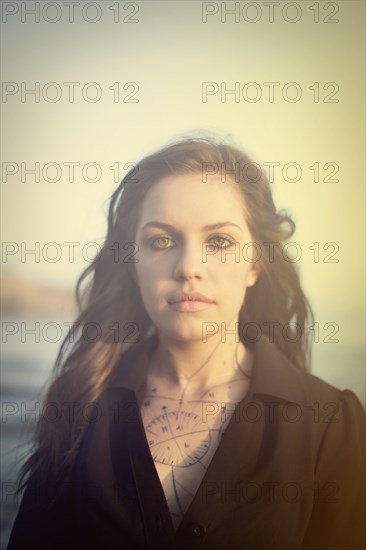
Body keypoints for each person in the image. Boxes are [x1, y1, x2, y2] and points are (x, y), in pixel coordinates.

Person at [7, 136, 365, 550]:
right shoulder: (81, 402)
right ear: (133, 262)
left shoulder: (330, 424)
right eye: (162, 240)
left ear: (255, 263)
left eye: (219, 241)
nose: (188, 267)